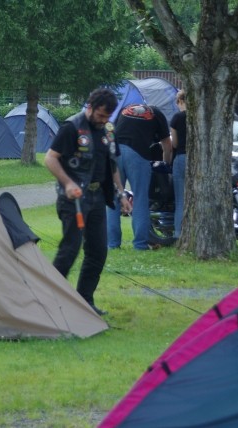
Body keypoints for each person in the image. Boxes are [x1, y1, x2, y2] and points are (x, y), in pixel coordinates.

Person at [44, 88, 132, 316]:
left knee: (98, 252)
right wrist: (67, 183)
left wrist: (122, 194)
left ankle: (84, 301)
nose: (103, 121)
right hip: (73, 199)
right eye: (101, 115)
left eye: (107, 117)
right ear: (91, 107)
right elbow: (50, 158)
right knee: (69, 250)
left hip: (97, 198)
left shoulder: (109, 131)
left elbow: (112, 165)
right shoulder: (72, 127)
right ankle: (50, 304)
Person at [106, 104, 172, 250]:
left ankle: (112, 244)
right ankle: (140, 244)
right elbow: (167, 144)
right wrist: (167, 163)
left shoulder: (127, 108)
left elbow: (112, 130)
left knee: (114, 198)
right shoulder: (157, 114)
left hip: (114, 152)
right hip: (137, 154)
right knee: (141, 198)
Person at [170, 90, 187, 239]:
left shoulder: (177, 118)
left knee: (181, 200)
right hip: (197, 161)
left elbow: (174, 143)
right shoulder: (200, 118)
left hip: (181, 157)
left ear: (180, 101)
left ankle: (178, 234)